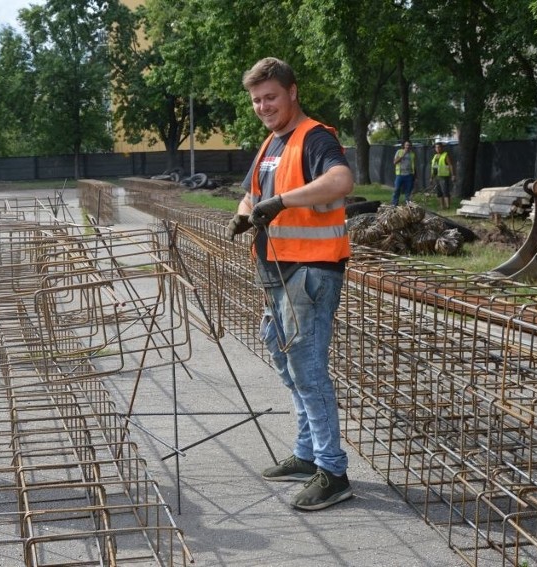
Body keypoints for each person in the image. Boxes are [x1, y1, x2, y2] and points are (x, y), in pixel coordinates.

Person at [228, 57, 354, 511]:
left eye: (271, 97)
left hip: (310, 271)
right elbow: (251, 194)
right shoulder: (271, 144)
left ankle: (333, 471)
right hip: (278, 274)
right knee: (285, 360)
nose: (264, 106)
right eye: (257, 100)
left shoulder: (314, 137)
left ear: (292, 92)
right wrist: (245, 215)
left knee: (307, 369)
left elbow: (341, 180)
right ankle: (306, 455)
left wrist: (281, 201)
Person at [430, 142, 455, 210]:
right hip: (436, 176)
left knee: (445, 191)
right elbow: (434, 167)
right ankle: (442, 206)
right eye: (436, 147)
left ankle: (448, 206)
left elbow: (450, 165)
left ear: (442, 148)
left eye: (439, 147)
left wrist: (453, 175)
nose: (437, 149)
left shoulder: (445, 155)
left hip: (443, 176)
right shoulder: (435, 156)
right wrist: (431, 177)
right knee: (439, 192)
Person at [391, 140, 416, 206]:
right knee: (397, 189)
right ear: (404, 146)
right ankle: (394, 204)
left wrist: (415, 175)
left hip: (409, 175)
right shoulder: (399, 151)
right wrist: (403, 155)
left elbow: (413, 165)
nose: (408, 146)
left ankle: (408, 205)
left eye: (409, 145)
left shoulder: (412, 154)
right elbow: (395, 162)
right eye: (407, 145)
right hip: (400, 174)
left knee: (408, 191)